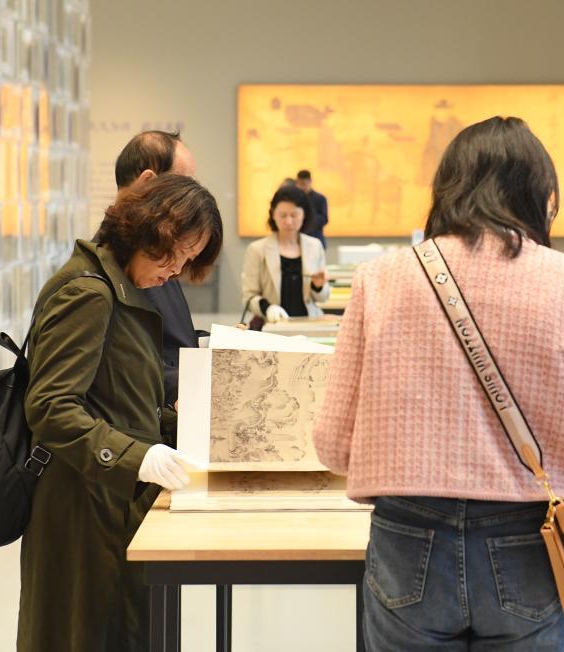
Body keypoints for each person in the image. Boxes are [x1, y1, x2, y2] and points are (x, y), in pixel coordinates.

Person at [313, 116, 564, 651]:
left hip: (407, 533)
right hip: (533, 535)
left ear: (447, 188)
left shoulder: (379, 280)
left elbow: (333, 443)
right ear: (541, 194)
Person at [18, 174, 223, 651]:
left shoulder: (122, 288)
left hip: (112, 499)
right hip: (83, 507)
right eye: (173, 254)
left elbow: (119, 398)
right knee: (87, 633)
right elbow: (50, 406)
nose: (175, 270)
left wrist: (181, 424)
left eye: (187, 260)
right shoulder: (89, 293)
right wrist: (135, 457)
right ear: (146, 231)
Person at [114, 130, 201, 408]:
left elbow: (171, 341)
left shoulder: (158, 252)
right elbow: (124, 370)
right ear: (148, 183)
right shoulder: (112, 268)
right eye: (182, 185)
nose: (191, 198)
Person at [241, 185, 330, 322]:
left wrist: (317, 286)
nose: (289, 221)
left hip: (309, 323)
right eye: (283, 215)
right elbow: (249, 297)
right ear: (273, 214)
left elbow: (323, 298)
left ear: (304, 214)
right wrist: (268, 308)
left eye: (294, 215)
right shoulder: (257, 249)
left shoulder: (315, 246)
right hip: (273, 324)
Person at [295, 169, 329, 247]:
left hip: (316, 237)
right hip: (299, 240)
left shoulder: (320, 198)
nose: (301, 187)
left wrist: (308, 220)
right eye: (299, 184)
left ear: (310, 181)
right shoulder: (295, 199)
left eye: (304, 184)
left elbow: (324, 219)